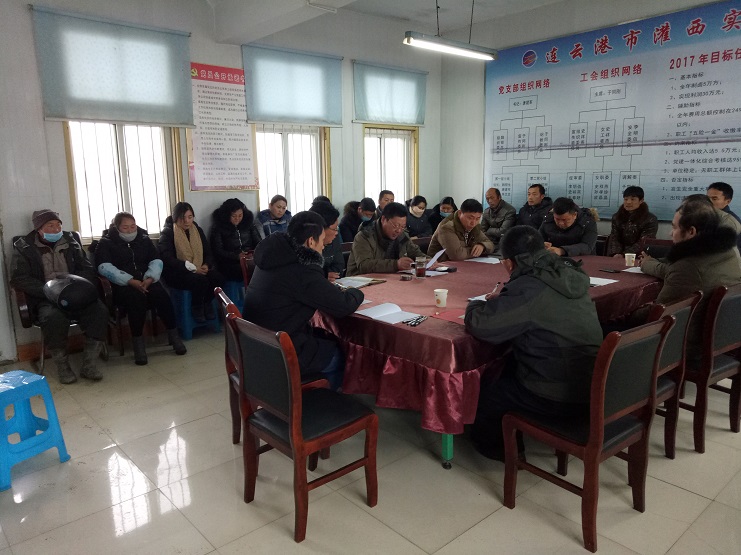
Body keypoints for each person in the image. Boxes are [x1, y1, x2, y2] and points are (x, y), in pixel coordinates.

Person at [465, 225, 602, 460]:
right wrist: (509, 300)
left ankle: (506, 452)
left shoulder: (528, 287)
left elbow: (481, 324)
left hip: (555, 393)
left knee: (486, 393)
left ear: (510, 263)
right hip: (592, 384)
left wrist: (475, 304)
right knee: (507, 366)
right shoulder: (565, 272)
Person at [242, 211, 364, 390]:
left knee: (325, 339)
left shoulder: (275, 255)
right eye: (321, 241)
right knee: (344, 356)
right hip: (282, 351)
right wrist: (356, 292)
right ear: (311, 241)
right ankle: (324, 402)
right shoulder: (302, 270)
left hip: (258, 345)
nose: (323, 246)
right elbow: (343, 305)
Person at [10, 209, 109, 383]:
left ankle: (89, 364)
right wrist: (48, 291)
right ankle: (63, 366)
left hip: (76, 293)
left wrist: (78, 287)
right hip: (46, 297)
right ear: (39, 229)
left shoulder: (71, 242)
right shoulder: (25, 247)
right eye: (50, 226)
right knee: (52, 317)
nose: (56, 229)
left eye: (58, 225)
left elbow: (86, 268)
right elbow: (20, 278)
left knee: (99, 311)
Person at [639, 197, 741, 362]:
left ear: (691, 232)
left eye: (674, 227)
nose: (670, 233)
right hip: (720, 340)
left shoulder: (688, 266)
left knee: (607, 327)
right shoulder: (730, 252)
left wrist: (628, 313)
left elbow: (658, 316)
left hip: (684, 347)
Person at [96, 212, 187, 365]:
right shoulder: (106, 243)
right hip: (123, 285)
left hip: (147, 281)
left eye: (133, 226)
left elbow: (156, 260)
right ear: (117, 228)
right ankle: (138, 345)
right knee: (136, 299)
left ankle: (174, 337)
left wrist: (150, 278)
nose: (130, 230)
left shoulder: (144, 239)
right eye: (125, 227)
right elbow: (104, 267)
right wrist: (130, 280)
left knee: (162, 296)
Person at [158, 202, 225, 322]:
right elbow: (168, 259)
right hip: (177, 272)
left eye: (190, 217)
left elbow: (208, 252)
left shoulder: (197, 230)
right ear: (175, 218)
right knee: (201, 281)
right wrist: (192, 268)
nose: (187, 221)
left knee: (218, 278)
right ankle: (197, 307)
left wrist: (206, 265)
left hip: (199, 267)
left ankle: (206, 302)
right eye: (182, 218)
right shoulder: (168, 232)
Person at [346, 202, 425, 276]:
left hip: (388, 279)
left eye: (402, 226)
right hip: (360, 280)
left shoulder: (402, 235)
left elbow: (415, 252)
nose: (399, 230)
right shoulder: (364, 236)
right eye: (396, 225)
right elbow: (364, 265)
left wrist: (426, 260)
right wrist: (396, 264)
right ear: (383, 219)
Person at [209, 198, 262, 282]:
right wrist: (237, 256)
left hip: (249, 258)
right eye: (234, 216)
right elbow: (218, 251)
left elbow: (259, 242)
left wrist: (253, 253)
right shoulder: (218, 228)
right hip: (229, 262)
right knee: (245, 269)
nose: (237, 218)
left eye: (240, 215)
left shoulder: (248, 224)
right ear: (227, 215)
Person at [427, 199, 494, 261]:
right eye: (470, 218)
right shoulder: (446, 227)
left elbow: (490, 244)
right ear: (460, 213)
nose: (473, 223)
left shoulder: (474, 226)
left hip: (464, 263)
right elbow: (457, 255)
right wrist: (475, 251)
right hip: (440, 265)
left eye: (477, 218)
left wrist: (482, 246)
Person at [606, 186, 658, 256]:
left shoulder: (650, 219)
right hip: (618, 255)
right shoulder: (616, 217)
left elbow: (644, 241)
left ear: (641, 200)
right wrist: (616, 254)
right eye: (626, 199)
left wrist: (624, 255)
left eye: (633, 199)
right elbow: (614, 237)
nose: (628, 202)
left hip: (639, 256)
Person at [309, 200, 345, 279]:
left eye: (337, 228)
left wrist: (329, 274)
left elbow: (339, 264)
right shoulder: (303, 247)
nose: (336, 233)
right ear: (320, 229)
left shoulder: (334, 239)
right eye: (334, 229)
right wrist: (324, 275)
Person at [707, 182, 741, 249]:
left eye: (714, 199)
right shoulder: (707, 215)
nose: (708, 202)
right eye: (707, 198)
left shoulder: (731, 221)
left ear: (727, 201)